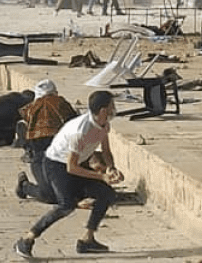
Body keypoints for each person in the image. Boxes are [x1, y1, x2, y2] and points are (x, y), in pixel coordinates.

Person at [13, 90, 124, 258]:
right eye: (111, 106)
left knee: (106, 194)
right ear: (102, 110)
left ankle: (88, 239)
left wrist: (111, 168)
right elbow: (71, 168)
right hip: (56, 165)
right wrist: (102, 177)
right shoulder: (81, 130)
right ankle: (27, 239)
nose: (114, 109)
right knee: (66, 205)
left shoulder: (103, 124)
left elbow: (106, 150)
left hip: (76, 164)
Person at [15, 79, 79, 204]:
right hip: (43, 157)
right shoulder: (61, 104)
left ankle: (26, 187)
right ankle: (24, 186)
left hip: (61, 157)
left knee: (59, 194)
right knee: (53, 195)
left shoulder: (29, 110)